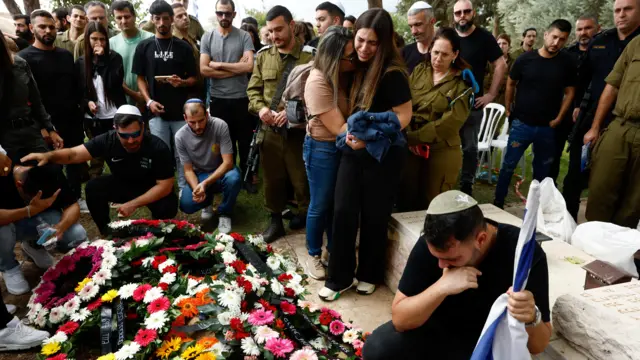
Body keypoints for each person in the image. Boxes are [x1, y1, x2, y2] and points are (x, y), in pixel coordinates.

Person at [362, 191, 551, 359]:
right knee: (378, 348)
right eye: (437, 257)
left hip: (487, 342)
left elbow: (538, 346)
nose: (441, 264)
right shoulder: (432, 247)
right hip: (436, 331)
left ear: (481, 239)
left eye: (452, 258)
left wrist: (531, 316)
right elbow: (400, 319)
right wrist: (442, 287)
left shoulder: (523, 254)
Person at [319, 8, 413, 300]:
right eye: (360, 40)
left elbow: (404, 116)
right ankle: (338, 278)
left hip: (383, 155)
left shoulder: (393, 73)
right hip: (352, 150)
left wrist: (372, 136)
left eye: (372, 43)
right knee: (343, 211)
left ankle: (368, 274)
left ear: (384, 43)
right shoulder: (356, 66)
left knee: (375, 216)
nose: (364, 48)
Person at [22, 105, 178, 235]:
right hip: (123, 183)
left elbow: (165, 186)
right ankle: (107, 231)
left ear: (143, 127)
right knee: (93, 187)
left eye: (136, 134)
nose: (131, 141)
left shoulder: (157, 147)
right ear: (115, 129)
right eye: (124, 136)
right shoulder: (107, 140)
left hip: (151, 187)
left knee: (167, 204)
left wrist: (134, 204)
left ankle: (159, 232)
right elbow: (74, 154)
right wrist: (48, 156)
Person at [564, 0, 640, 221]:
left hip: (623, 119)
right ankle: (572, 221)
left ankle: (618, 239)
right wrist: (579, 106)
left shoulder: (634, 41)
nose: (622, 15)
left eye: (628, 9)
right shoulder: (602, 41)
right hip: (598, 116)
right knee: (582, 177)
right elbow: (586, 78)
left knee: (630, 193)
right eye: (617, 10)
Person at [247, 5, 315, 243]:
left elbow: (319, 96)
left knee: (303, 181)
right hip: (271, 132)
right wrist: (262, 109)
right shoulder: (263, 56)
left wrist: (291, 113)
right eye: (271, 31)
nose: (274, 36)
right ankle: (275, 223)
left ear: (292, 26)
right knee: (273, 181)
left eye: (279, 30)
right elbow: (253, 91)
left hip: (299, 134)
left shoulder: (311, 57)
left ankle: (310, 224)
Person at [494, 19, 576, 209]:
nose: (556, 42)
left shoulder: (566, 63)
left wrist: (559, 117)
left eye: (562, 39)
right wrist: (508, 107)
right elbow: (511, 83)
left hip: (548, 127)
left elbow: (570, 92)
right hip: (522, 124)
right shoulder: (525, 59)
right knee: (508, 166)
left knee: (542, 171)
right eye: (554, 37)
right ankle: (497, 203)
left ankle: (535, 209)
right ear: (546, 35)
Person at [18, 10, 87, 211]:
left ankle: (75, 198)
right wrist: (42, 128)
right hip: (43, 126)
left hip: (71, 120)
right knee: (48, 167)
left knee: (74, 162)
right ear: (32, 28)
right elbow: (26, 99)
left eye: (51, 27)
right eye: (42, 26)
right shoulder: (24, 59)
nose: (48, 30)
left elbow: (75, 87)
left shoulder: (65, 55)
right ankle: (52, 203)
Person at [397, 27, 472, 212]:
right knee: (406, 200)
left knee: (435, 206)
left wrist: (412, 138)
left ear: (455, 54)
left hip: (440, 150)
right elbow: (404, 101)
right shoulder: (421, 70)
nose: (438, 59)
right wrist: (407, 134)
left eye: (445, 55)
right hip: (411, 148)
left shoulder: (463, 84)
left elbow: (449, 123)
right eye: (435, 52)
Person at [302, 26, 355, 280]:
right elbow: (339, 128)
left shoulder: (339, 76)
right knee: (320, 204)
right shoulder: (318, 81)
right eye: (349, 56)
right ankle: (313, 253)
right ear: (335, 58)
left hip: (340, 148)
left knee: (337, 204)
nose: (353, 61)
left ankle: (332, 251)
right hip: (323, 148)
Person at [133, 0, 198, 189]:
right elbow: (140, 78)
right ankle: (164, 187)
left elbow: (194, 79)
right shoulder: (144, 47)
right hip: (156, 111)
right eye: (158, 18)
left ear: (171, 20)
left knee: (182, 151)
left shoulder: (183, 47)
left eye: (166, 19)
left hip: (180, 111)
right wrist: (149, 100)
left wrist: (182, 82)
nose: (162, 23)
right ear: (152, 20)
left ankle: (183, 187)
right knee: (161, 151)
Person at [1, 161, 86, 295]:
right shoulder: (3, 177)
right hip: (9, 222)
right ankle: (9, 267)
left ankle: (34, 245)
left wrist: (60, 227)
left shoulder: (51, 172)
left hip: (39, 218)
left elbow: (72, 205)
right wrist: (29, 210)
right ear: (19, 185)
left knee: (77, 235)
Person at [583, 35, 640, 227]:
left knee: (633, 204)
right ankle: (591, 248)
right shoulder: (637, 43)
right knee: (600, 189)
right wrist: (595, 126)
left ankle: (619, 252)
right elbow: (613, 85)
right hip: (620, 126)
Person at [453, 0, 507, 196]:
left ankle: (467, 187)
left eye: (466, 12)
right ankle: (444, 183)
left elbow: (501, 65)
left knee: (469, 147)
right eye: (458, 13)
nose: (462, 16)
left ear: (473, 13)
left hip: (471, 104)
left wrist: (491, 94)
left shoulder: (484, 37)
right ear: (454, 16)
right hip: (448, 102)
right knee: (444, 146)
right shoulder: (449, 36)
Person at [200, 0, 255, 183]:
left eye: (227, 13)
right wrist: (234, 68)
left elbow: (248, 67)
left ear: (234, 14)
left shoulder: (244, 36)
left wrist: (219, 65)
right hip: (218, 98)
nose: (224, 17)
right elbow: (204, 70)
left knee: (245, 140)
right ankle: (226, 175)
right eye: (220, 13)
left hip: (241, 97)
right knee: (223, 141)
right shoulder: (208, 37)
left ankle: (248, 177)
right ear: (216, 14)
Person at [548, 14, 600, 184]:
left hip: (587, 117)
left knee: (577, 167)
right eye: (579, 29)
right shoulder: (566, 54)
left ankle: (570, 206)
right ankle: (548, 198)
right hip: (562, 114)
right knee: (551, 159)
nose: (583, 32)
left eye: (588, 28)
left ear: (597, 29)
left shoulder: (602, 54)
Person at [176, 100, 241, 232]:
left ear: (206, 114)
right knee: (186, 205)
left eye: (201, 120)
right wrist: (197, 189)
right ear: (185, 118)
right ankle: (207, 203)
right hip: (199, 174)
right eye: (192, 122)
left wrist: (205, 184)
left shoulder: (220, 125)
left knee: (233, 178)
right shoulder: (180, 136)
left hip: (222, 171)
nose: (197, 126)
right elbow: (188, 170)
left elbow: (228, 162)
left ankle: (225, 212)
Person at [0, 30, 62, 161]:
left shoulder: (19, 64)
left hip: (30, 132)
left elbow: (36, 101)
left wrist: (50, 129)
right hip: (5, 138)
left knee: (51, 173)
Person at [77, 21, 127, 180]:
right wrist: (87, 103)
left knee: (118, 152)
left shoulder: (115, 58)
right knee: (96, 154)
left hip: (113, 113)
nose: (98, 43)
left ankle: (122, 184)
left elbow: (115, 83)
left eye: (102, 39)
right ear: (87, 39)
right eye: (94, 39)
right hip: (94, 117)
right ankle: (95, 186)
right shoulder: (81, 62)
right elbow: (77, 91)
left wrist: (100, 60)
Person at [110, 0, 154, 107]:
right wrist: (134, 95)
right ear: (114, 19)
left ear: (134, 16)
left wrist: (144, 95)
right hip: (123, 100)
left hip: (150, 99)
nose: (123, 21)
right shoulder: (111, 43)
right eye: (119, 18)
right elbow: (113, 75)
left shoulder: (150, 39)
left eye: (127, 16)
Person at [172, 2, 202, 98]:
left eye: (185, 15)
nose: (185, 18)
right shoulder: (173, 42)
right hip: (184, 93)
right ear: (172, 21)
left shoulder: (190, 37)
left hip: (198, 89)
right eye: (179, 16)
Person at [403, 1, 436, 74]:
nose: (413, 31)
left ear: (432, 22)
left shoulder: (445, 52)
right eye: (411, 26)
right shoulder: (404, 54)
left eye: (418, 24)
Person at [483, 33, 514, 108]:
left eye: (504, 43)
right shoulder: (488, 62)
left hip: (504, 102)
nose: (501, 46)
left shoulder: (514, 63)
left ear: (509, 46)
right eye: (499, 43)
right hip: (488, 102)